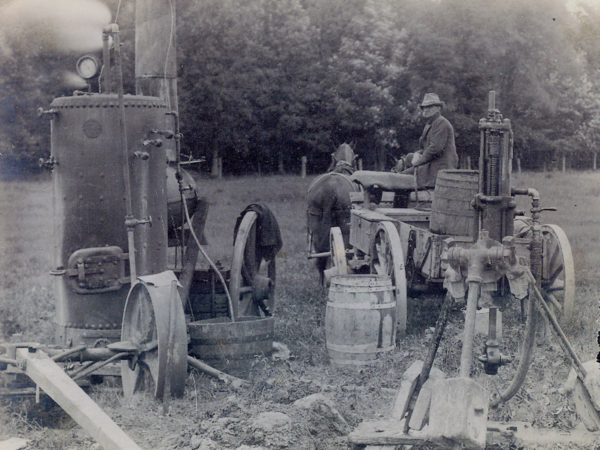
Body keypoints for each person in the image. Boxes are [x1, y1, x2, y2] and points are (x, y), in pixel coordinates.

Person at [306, 143, 360, 283]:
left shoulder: (319, 181)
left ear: (334, 159)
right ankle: (344, 270)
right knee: (346, 233)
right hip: (345, 196)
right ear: (353, 160)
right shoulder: (353, 181)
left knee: (320, 233)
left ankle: (321, 276)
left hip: (319, 194)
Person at [402, 93, 458, 189]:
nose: (426, 109)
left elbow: (435, 148)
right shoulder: (430, 124)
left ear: (438, 108)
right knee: (407, 160)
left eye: (430, 106)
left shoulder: (441, 122)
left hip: (440, 168)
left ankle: (381, 193)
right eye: (424, 107)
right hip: (432, 165)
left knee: (402, 177)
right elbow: (425, 148)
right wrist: (416, 154)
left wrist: (418, 162)